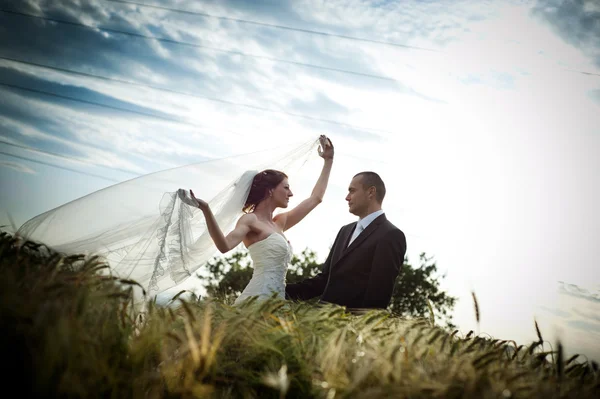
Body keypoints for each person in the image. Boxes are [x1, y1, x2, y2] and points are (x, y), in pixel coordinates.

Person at [182, 135, 334, 305]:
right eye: (286, 188)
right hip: (256, 300)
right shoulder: (250, 220)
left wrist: (328, 160)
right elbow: (224, 246)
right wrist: (206, 210)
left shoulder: (280, 222)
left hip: (277, 300)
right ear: (270, 190)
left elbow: (316, 199)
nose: (290, 193)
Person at [285, 172, 406, 311]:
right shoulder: (345, 230)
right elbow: (324, 280)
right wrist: (278, 291)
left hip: (350, 328)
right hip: (321, 322)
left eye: (352, 191)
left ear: (371, 192)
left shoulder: (390, 235)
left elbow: (378, 295)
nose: (347, 197)